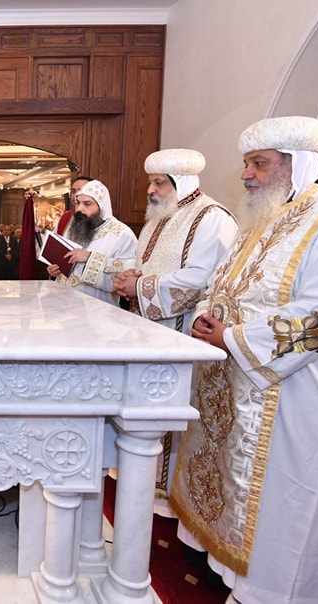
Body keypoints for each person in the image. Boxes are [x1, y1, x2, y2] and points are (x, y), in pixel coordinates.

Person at [170, 116, 318, 604]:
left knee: (285, 500)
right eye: (247, 163)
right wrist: (205, 317)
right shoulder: (262, 217)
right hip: (237, 378)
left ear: (298, 164)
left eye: (259, 164)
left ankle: (273, 592)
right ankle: (226, 565)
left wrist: (234, 337)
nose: (247, 174)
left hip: (298, 392)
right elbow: (220, 284)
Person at [112, 148, 237, 517]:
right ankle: (142, 477)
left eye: (159, 183)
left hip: (180, 334)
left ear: (180, 182)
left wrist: (141, 286)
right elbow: (144, 263)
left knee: (172, 413)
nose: (150, 190)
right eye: (150, 182)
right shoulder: (158, 217)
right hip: (148, 330)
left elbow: (201, 280)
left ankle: (169, 494)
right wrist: (130, 276)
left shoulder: (210, 218)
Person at [46, 179, 136, 304]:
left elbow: (127, 275)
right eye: (78, 203)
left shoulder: (122, 234)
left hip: (98, 309)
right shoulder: (74, 225)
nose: (79, 209)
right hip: (64, 304)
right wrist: (54, 270)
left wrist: (89, 258)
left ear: (101, 206)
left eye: (87, 204)